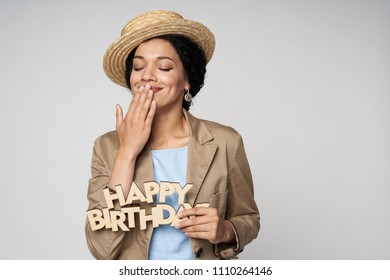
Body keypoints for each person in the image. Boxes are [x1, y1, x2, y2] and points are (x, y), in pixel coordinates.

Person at [85, 10, 260, 260]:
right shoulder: (106, 147)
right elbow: (101, 248)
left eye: (164, 66)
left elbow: (249, 219)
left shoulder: (225, 142)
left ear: (187, 79)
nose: (147, 75)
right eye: (138, 66)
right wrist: (126, 152)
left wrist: (225, 230)